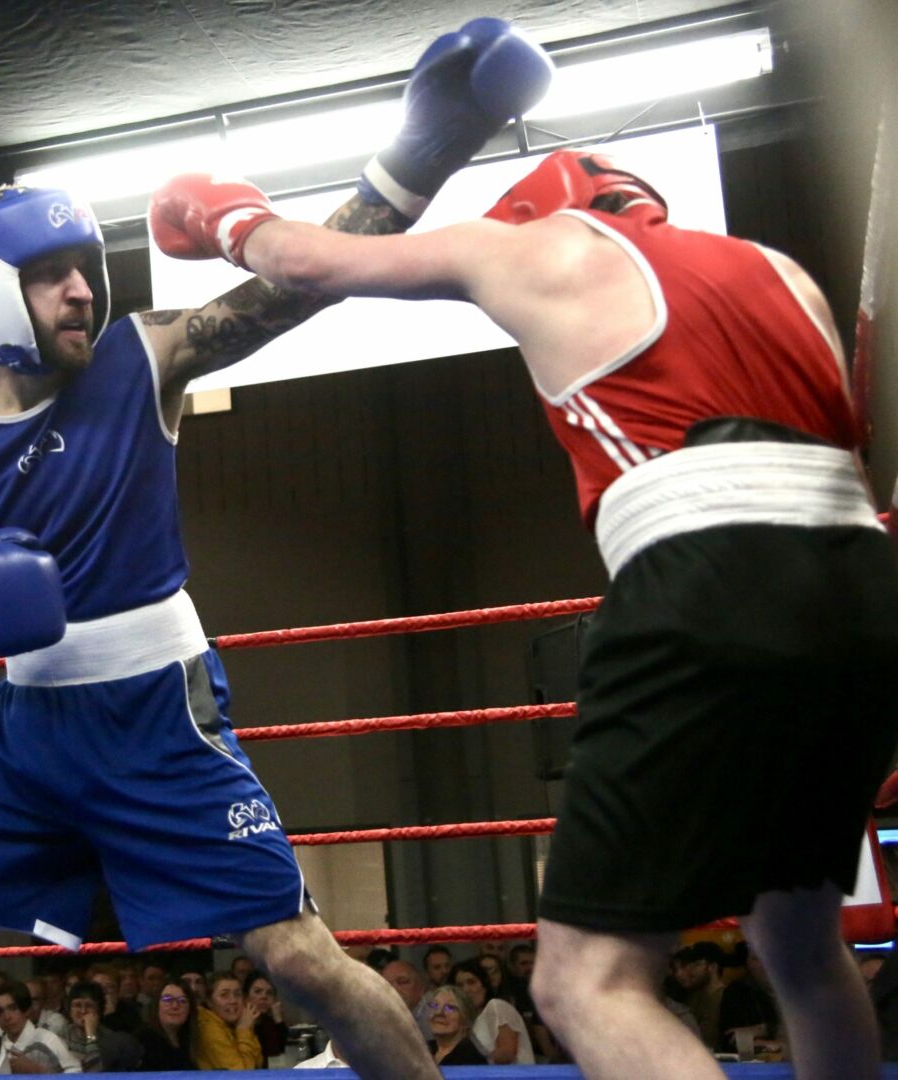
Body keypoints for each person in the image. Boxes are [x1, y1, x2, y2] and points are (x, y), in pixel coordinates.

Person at [0, 20, 551, 1080]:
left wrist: (427, 145)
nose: (84, 291)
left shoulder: (145, 358)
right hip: (29, 735)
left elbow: (305, 282)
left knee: (295, 959)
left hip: (161, 714)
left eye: (86, 269)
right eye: (52, 276)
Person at [151, 125, 898, 1080]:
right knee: (800, 942)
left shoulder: (537, 245)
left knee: (584, 982)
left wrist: (222, 216)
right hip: (861, 593)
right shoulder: (778, 272)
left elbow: (303, 260)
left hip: (705, 575)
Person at [450, 959, 535, 1065]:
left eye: (471, 982)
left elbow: (507, 1054)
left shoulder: (496, 1006)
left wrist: (469, 1063)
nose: (466, 989)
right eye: (459, 985)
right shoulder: (465, 1021)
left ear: (484, 985)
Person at [0, 981, 80, 1074]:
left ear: (27, 1010)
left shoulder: (48, 1040)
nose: (7, 1017)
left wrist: (38, 1071)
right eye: (0, 1011)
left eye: (13, 1008)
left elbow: (77, 1073)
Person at [63, 980, 144, 1072]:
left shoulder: (112, 1041)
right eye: (77, 1005)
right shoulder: (60, 1036)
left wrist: (90, 1035)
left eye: (89, 1005)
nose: (83, 1011)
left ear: (99, 1009)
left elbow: (95, 1072)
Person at [194, 972, 262, 1070]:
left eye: (237, 994)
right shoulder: (208, 1029)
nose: (233, 1000)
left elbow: (258, 1063)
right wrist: (243, 1030)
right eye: (224, 995)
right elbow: (242, 1074)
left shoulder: (235, 1023)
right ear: (209, 1001)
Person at [137, 981, 197, 1072]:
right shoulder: (144, 1040)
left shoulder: (190, 1040)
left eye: (182, 1001)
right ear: (156, 1005)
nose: (175, 1006)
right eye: (168, 999)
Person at [422, 986, 487, 1066]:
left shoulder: (471, 1060)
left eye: (450, 1008)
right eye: (435, 1005)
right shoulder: (422, 1050)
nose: (438, 1013)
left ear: (466, 1021)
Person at [243, 969, 288, 1060]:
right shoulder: (238, 1021)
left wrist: (278, 1020)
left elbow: (279, 1053)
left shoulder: (268, 1021)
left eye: (269, 993)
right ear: (246, 996)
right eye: (257, 991)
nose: (264, 997)